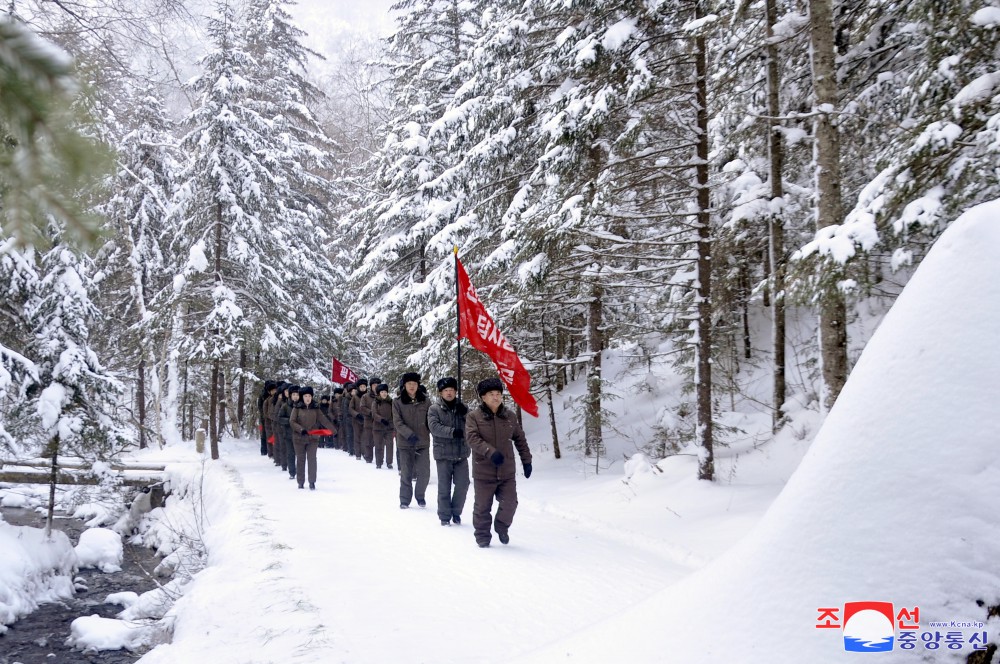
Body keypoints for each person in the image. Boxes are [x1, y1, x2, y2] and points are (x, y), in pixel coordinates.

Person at [466, 377, 532, 548]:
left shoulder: (509, 416)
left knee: (510, 503)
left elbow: (520, 439)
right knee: (482, 507)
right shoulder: (474, 417)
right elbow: (472, 438)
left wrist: (527, 461)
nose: (496, 397)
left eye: (498, 394)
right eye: (491, 394)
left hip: (506, 470)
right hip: (484, 471)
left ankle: (501, 526)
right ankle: (482, 536)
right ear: (483, 397)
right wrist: (490, 452)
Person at [428, 377, 470, 526]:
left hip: (461, 453)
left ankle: (456, 512)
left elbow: (472, 425)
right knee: (444, 487)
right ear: (441, 393)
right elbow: (434, 427)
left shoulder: (462, 407)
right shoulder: (434, 409)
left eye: (452, 390)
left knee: (463, 485)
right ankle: (445, 516)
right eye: (446, 390)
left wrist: (464, 414)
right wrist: (453, 432)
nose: (449, 393)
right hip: (443, 453)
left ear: (456, 391)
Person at [392, 372, 431, 509]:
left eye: (414, 384)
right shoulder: (397, 402)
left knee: (425, 473)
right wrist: (409, 434)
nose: (412, 386)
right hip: (405, 443)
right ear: (404, 385)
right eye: (409, 384)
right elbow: (397, 422)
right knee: (406, 473)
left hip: (422, 443)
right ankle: (404, 500)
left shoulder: (426, 401)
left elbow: (431, 420)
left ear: (418, 385)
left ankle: (420, 496)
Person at [289, 386, 336, 490]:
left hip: (312, 438)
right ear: (302, 397)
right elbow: (292, 422)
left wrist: (334, 431)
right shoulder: (297, 407)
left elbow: (324, 420)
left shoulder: (315, 407)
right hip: (299, 438)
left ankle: (312, 482)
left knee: (312, 460)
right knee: (300, 460)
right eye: (305, 396)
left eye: (309, 396)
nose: (307, 398)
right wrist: (301, 430)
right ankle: (300, 482)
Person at [277, 384, 301, 480]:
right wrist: (290, 421)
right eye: (293, 394)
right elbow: (279, 418)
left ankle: (300, 471)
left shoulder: (302, 406)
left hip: (300, 434)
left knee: (300, 454)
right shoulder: (285, 406)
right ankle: (292, 472)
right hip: (288, 433)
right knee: (290, 454)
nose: (295, 396)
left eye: (297, 395)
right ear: (290, 395)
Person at [371, 383, 395, 469]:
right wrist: (381, 419)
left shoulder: (391, 402)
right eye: (382, 392)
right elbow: (374, 414)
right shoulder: (375, 402)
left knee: (389, 445)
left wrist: (391, 422)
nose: (384, 393)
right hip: (378, 427)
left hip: (389, 427)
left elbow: (394, 414)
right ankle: (379, 462)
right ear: (379, 393)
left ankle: (389, 462)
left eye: (385, 392)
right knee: (378, 445)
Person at [359, 375, 381, 463]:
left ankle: (379, 459)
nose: (376, 387)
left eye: (377, 385)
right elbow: (362, 407)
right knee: (368, 441)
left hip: (379, 423)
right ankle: (368, 457)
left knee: (379, 443)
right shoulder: (365, 396)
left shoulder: (383, 395)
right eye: (374, 385)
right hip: (369, 421)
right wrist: (371, 412)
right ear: (371, 386)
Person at [350, 378, 368, 460]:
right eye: (361, 386)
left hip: (366, 419)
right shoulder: (354, 397)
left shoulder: (368, 396)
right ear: (358, 387)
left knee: (365, 437)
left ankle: (364, 453)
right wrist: (357, 415)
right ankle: (358, 454)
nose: (363, 388)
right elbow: (350, 408)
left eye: (364, 386)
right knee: (357, 437)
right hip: (356, 420)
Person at [261, 381, 279, 459]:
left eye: (275, 390)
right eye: (272, 391)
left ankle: (276, 454)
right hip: (269, 423)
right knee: (270, 438)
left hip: (276, 422)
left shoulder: (278, 399)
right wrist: (271, 417)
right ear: (269, 392)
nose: (274, 392)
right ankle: (271, 454)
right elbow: (265, 412)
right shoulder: (267, 401)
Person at [257, 381, 275, 456]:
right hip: (263, 418)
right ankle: (264, 450)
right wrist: (264, 415)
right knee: (264, 434)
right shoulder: (263, 395)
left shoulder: (266, 395)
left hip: (266, 417)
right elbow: (260, 407)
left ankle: (266, 450)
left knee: (266, 434)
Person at [340, 383, 355, 455]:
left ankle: (355, 449)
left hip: (356, 419)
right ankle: (350, 449)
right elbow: (344, 410)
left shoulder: (357, 398)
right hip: (348, 419)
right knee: (349, 435)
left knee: (356, 435)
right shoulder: (345, 399)